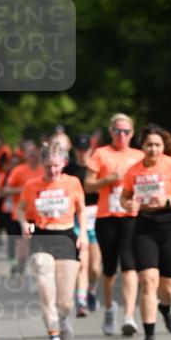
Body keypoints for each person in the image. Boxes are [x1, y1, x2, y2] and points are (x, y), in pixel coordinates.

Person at [121, 124, 171, 340]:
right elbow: (124, 198)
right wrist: (128, 204)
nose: (153, 149)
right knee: (148, 281)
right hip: (144, 227)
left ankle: (166, 307)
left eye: (157, 145)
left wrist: (168, 201)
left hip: (170, 225)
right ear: (142, 146)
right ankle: (149, 335)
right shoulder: (133, 171)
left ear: (163, 146)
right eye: (149, 144)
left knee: (168, 286)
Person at [16, 142, 87, 340]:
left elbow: (81, 211)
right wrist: (23, 224)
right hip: (41, 237)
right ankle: (54, 339)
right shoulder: (31, 186)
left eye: (56, 166)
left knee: (65, 301)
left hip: (66, 238)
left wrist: (82, 233)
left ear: (63, 163)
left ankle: (64, 318)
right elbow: (20, 209)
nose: (53, 170)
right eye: (48, 166)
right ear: (41, 165)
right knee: (46, 292)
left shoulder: (73, 183)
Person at [84, 114, 143, 337]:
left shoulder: (139, 156)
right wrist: (108, 179)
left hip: (131, 215)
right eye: (117, 131)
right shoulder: (101, 153)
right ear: (111, 132)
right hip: (106, 216)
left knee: (129, 265)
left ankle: (128, 315)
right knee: (108, 268)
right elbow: (88, 186)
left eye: (126, 131)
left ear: (132, 133)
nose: (121, 135)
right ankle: (109, 309)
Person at [64, 133, 102, 316]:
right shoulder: (68, 169)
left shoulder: (95, 168)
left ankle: (92, 289)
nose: (82, 153)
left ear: (90, 150)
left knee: (95, 267)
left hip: (96, 215)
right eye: (79, 150)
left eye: (85, 149)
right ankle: (81, 301)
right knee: (82, 261)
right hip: (76, 217)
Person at [0, 141, 42, 274]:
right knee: (23, 244)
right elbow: (5, 190)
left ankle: (26, 266)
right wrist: (22, 190)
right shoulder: (18, 170)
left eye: (35, 154)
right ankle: (19, 265)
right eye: (30, 154)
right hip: (21, 216)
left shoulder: (43, 170)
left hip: (38, 216)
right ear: (26, 156)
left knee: (32, 243)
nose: (33, 157)